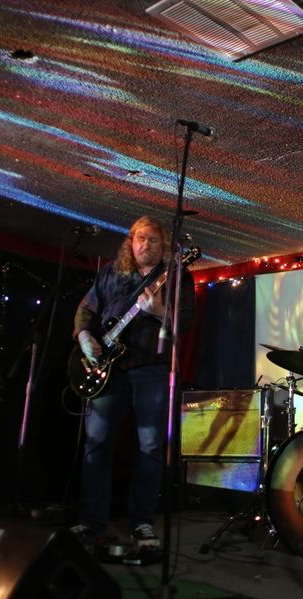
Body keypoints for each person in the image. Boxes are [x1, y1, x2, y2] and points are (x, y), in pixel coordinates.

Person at [72, 216, 196, 548]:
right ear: (131, 241)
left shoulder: (177, 275)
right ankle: (91, 522)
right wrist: (84, 336)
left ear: (164, 245)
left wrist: (158, 311)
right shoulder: (111, 273)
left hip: (151, 367)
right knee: (97, 444)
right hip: (107, 369)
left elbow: (187, 321)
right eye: (140, 238)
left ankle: (142, 523)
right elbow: (86, 308)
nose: (146, 245)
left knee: (150, 446)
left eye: (153, 240)